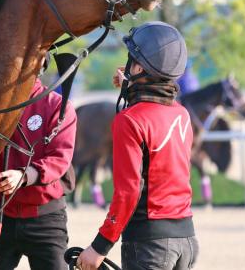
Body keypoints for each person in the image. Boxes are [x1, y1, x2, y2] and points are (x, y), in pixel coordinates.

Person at [77, 22, 198, 270]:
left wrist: (99, 247)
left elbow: (128, 192)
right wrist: (131, 84)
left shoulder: (129, 120)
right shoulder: (181, 114)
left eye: (131, 60)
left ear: (139, 67)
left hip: (149, 244)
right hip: (186, 239)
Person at [0, 55, 77, 270]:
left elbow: (59, 159)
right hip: (4, 216)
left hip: (46, 220)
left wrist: (23, 175)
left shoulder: (57, 105)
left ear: (40, 64)